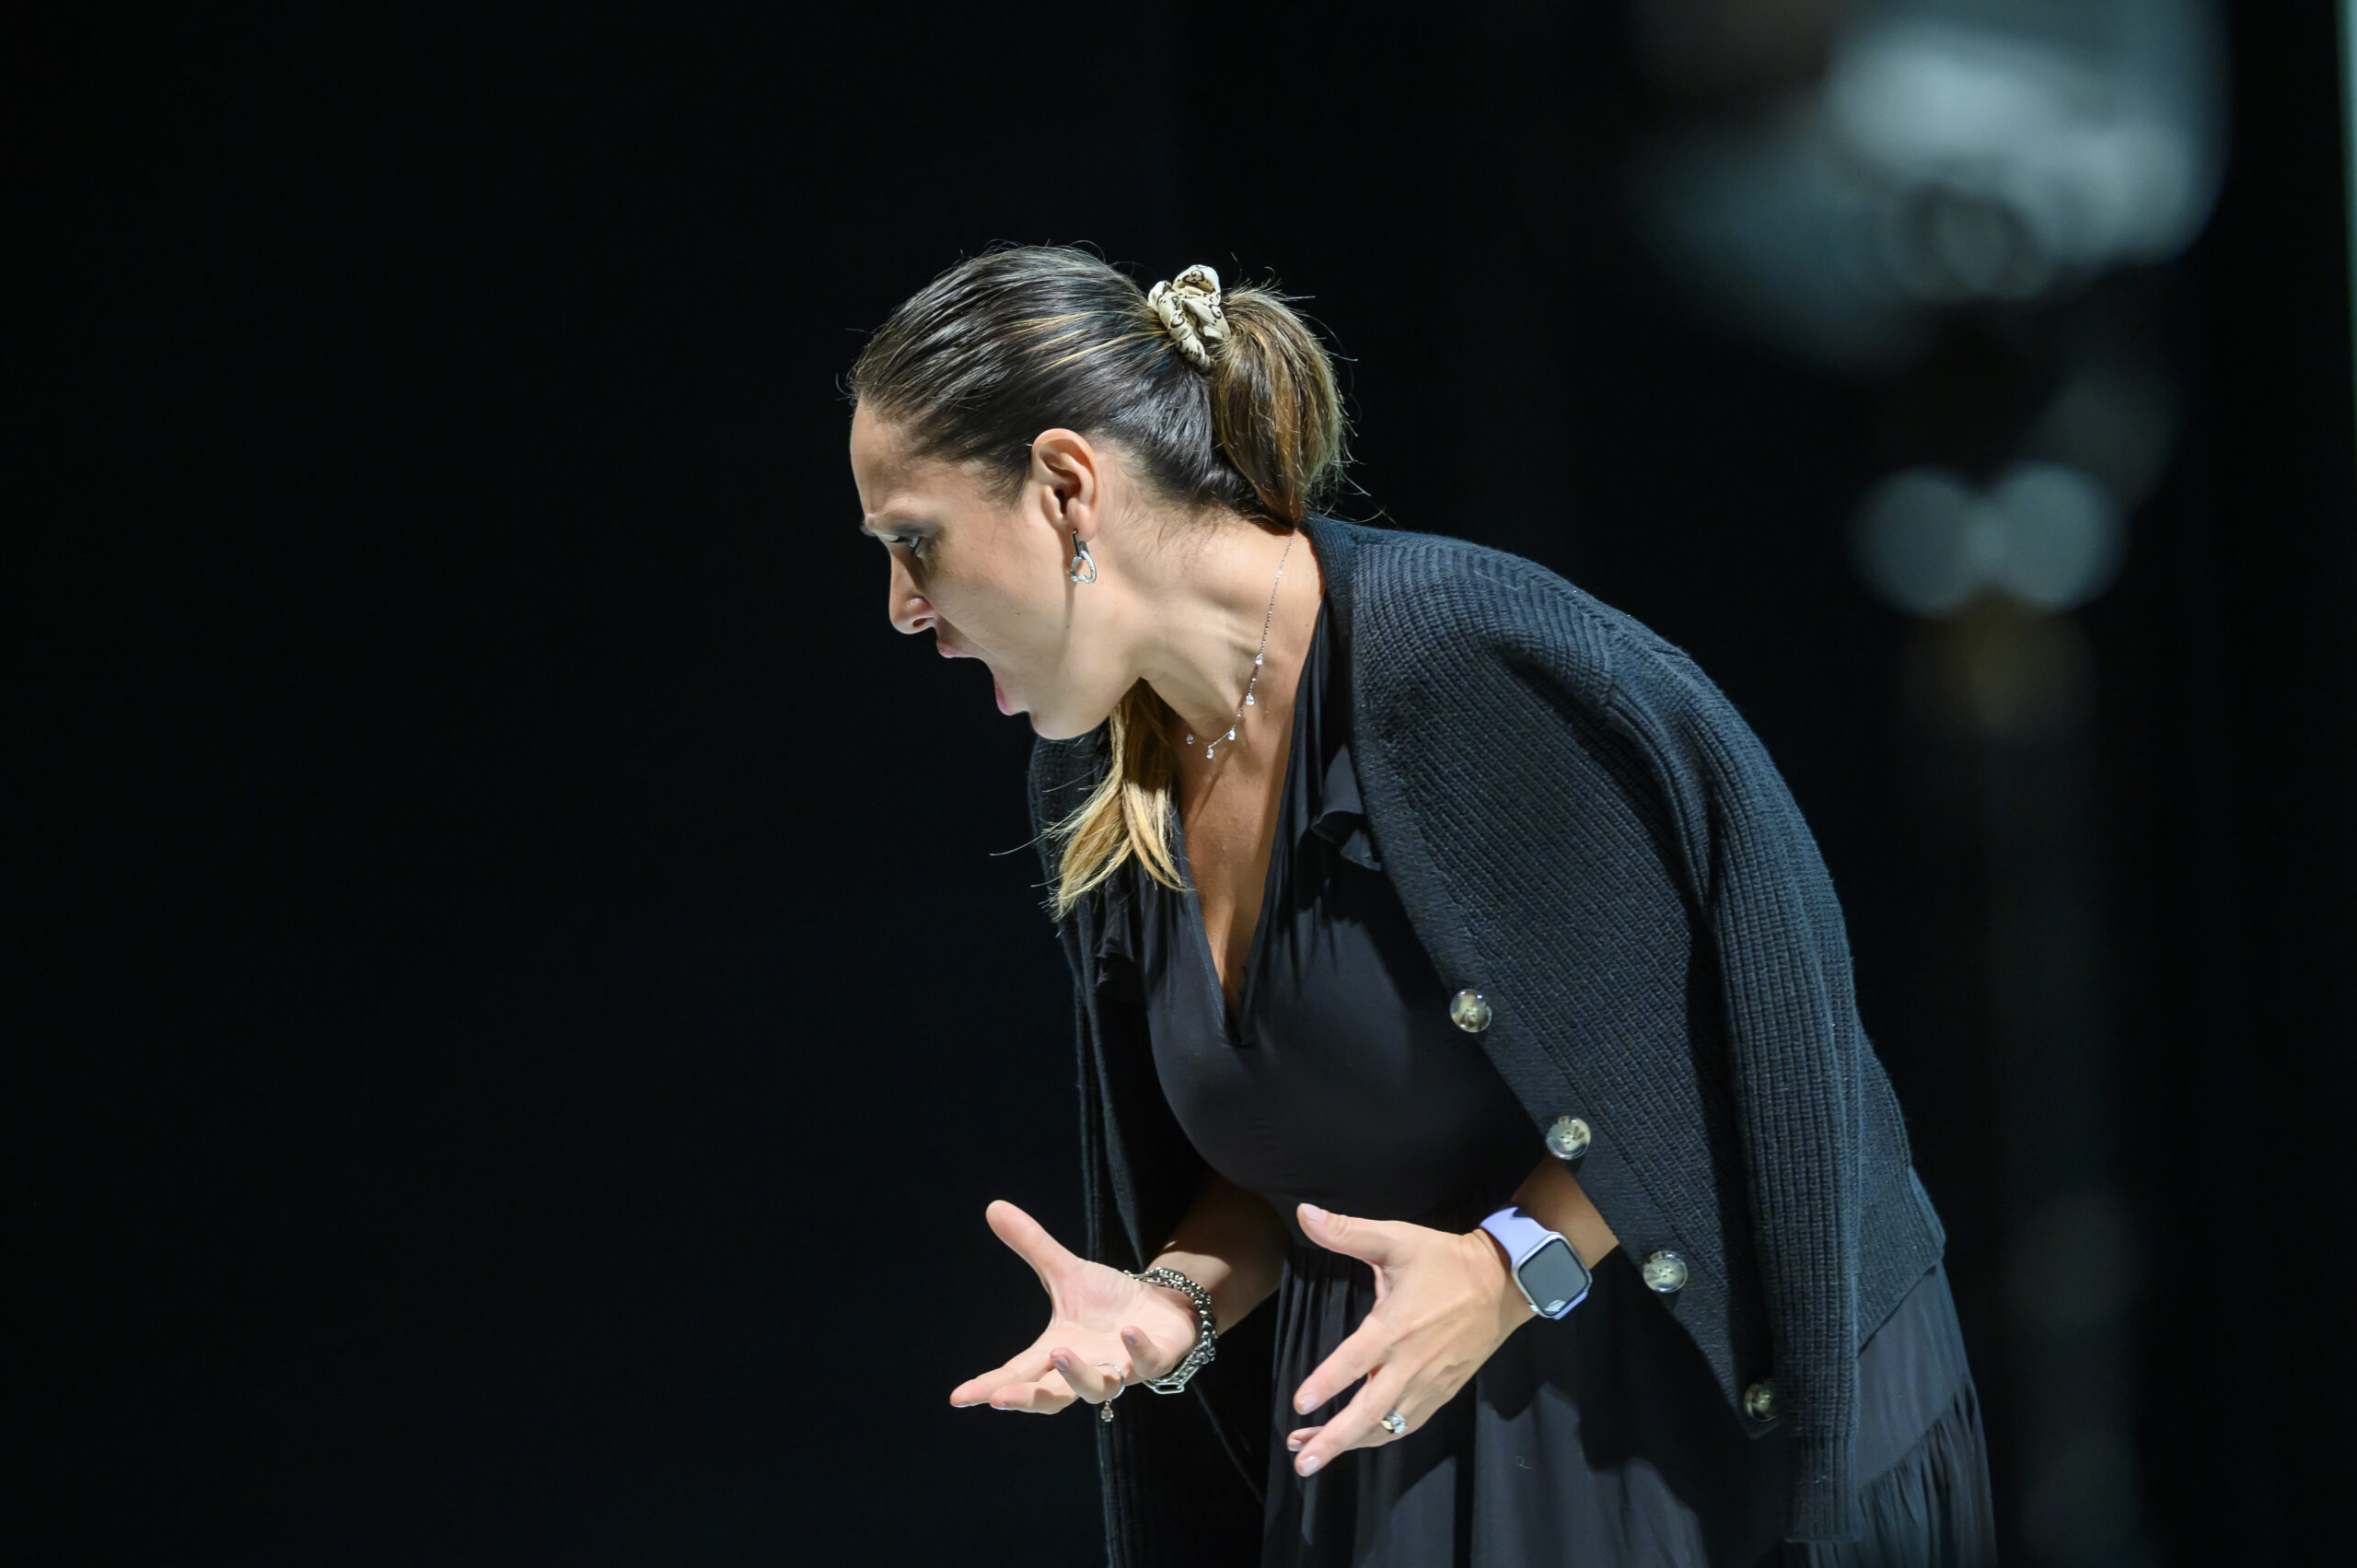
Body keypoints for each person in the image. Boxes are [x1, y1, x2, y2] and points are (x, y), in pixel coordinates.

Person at [846, 245, 1997, 1567]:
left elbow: (1727, 1034)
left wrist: (1515, 1267)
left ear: (1065, 485)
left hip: (1663, 1418)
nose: (900, 608)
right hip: (1402, 1430)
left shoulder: (1459, 665)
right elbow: (1292, 1137)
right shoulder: (1100, 764)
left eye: (913, 541)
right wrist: (1174, 1303)